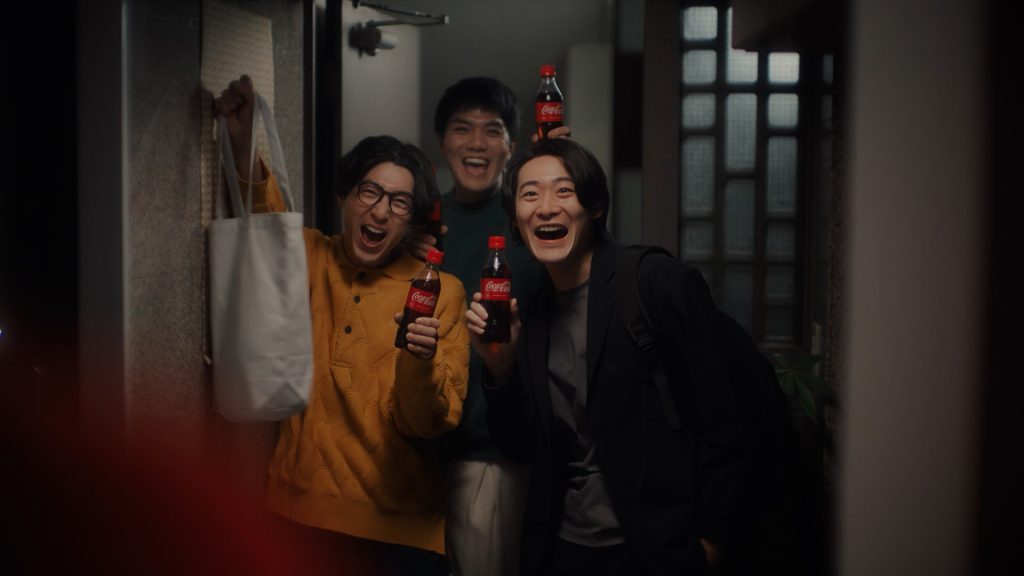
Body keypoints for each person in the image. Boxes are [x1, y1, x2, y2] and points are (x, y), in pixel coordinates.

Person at [465, 138, 756, 575]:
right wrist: (500, 365)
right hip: (565, 547)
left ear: (596, 206)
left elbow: (726, 419)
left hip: (657, 548)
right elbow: (522, 447)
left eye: (564, 190)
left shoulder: (655, 282)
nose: (546, 208)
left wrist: (712, 539)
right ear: (516, 219)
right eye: (530, 194)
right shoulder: (533, 312)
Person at [215, 76, 468, 576]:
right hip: (296, 518)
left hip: (399, 538)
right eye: (369, 192)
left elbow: (429, 422)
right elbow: (266, 221)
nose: (381, 210)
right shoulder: (312, 257)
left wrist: (419, 359)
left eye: (399, 202)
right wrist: (243, 142)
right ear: (344, 198)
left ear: (412, 221)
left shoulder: (441, 291)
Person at [410, 77, 568, 576]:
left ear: (511, 146)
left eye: (492, 131)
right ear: (442, 141)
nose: (476, 143)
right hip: (418, 452)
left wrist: (563, 170)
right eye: (463, 129)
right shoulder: (421, 225)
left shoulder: (530, 220)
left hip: (492, 453)